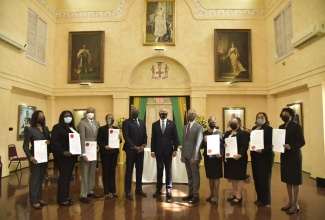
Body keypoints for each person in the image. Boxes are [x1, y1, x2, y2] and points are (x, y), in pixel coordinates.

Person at [279, 108, 305, 214]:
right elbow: (279, 140)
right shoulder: (281, 127)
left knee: (295, 180)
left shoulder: (296, 126)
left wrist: (291, 146)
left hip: (294, 156)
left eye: (287, 114)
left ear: (291, 115)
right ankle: (290, 202)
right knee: (288, 179)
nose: (284, 115)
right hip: (285, 155)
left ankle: (295, 204)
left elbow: (302, 142)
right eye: (283, 114)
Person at [22, 110, 50, 209]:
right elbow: (25, 146)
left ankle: (39, 198)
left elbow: (49, 141)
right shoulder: (30, 129)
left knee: (41, 178)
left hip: (44, 157)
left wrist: (48, 142)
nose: (42, 118)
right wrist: (30, 157)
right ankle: (33, 201)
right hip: (35, 158)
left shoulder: (46, 129)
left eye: (43, 116)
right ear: (35, 118)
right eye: (40, 116)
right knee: (34, 179)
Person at [151, 107, 179, 198]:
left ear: (167, 113)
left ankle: (168, 189)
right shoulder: (154, 124)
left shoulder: (172, 123)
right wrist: (152, 150)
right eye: (161, 111)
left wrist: (175, 149)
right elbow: (153, 138)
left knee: (168, 171)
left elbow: (175, 138)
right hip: (158, 151)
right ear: (159, 113)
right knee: (159, 171)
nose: (163, 113)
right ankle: (158, 189)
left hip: (168, 151)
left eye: (165, 112)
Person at [51, 110, 78, 206]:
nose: (68, 117)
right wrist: (63, 151)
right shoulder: (57, 127)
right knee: (63, 177)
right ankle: (61, 199)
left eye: (70, 116)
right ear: (62, 117)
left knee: (67, 178)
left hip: (71, 156)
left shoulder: (72, 128)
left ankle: (65, 197)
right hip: (63, 156)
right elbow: (55, 141)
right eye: (66, 116)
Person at [122, 107, 148, 200]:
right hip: (131, 150)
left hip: (140, 150)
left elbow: (145, 135)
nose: (135, 112)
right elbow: (126, 136)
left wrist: (143, 145)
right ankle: (128, 191)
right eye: (133, 111)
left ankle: (139, 189)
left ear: (139, 112)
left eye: (137, 111)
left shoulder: (142, 122)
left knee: (139, 169)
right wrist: (134, 147)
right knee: (129, 170)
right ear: (131, 112)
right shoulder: (126, 122)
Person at [249, 112, 274, 206]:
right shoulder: (254, 128)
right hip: (255, 156)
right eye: (258, 117)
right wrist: (249, 133)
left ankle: (265, 200)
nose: (260, 118)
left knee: (264, 178)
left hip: (265, 157)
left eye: (262, 117)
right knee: (257, 178)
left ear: (265, 119)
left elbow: (270, 143)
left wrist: (263, 151)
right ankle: (259, 198)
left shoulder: (268, 129)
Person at [223, 117, 249, 204]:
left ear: (238, 124)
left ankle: (239, 196)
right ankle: (234, 194)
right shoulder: (227, 133)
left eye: (234, 122)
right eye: (231, 122)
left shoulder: (243, 133)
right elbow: (223, 142)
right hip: (230, 159)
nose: (232, 123)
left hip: (239, 159)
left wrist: (240, 155)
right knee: (233, 177)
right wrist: (224, 144)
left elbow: (244, 146)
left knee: (239, 177)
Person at [181, 108, 203, 204]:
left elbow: (198, 143)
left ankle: (195, 195)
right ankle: (190, 193)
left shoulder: (199, 127)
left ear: (196, 115)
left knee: (195, 176)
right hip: (186, 156)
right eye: (189, 113)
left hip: (194, 157)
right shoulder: (185, 126)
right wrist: (182, 155)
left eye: (193, 113)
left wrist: (194, 157)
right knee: (189, 176)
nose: (191, 115)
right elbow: (184, 142)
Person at [78, 107, 100, 203]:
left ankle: (90, 190)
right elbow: (81, 138)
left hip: (94, 151)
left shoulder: (97, 123)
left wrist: (98, 145)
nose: (90, 113)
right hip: (86, 151)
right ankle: (83, 194)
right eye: (88, 112)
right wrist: (83, 153)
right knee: (85, 172)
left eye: (92, 111)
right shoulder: (82, 123)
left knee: (92, 172)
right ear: (86, 113)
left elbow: (98, 136)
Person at [97, 114, 122, 200]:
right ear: (105, 119)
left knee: (112, 172)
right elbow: (99, 141)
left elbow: (120, 141)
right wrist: (104, 146)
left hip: (114, 153)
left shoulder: (116, 129)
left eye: (111, 118)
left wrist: (120, 138)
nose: (110, 119)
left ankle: (113, 190)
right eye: (108, 118)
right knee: (106, 172)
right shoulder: (102, 129)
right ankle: (106, 192)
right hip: (105, 153)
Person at [200, 116, 224, 205]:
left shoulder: (219, 133)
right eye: (211, 121)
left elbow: (222, 145)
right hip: (208, 157)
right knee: (210, 176)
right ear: (208, 123)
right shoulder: (204, 133)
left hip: (216, 158)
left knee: (216, 177)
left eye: (215, 122)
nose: (213, 123)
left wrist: (221, 154)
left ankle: (216, 195)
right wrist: (203, 140)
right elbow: (201, 146)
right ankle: (211, 194)